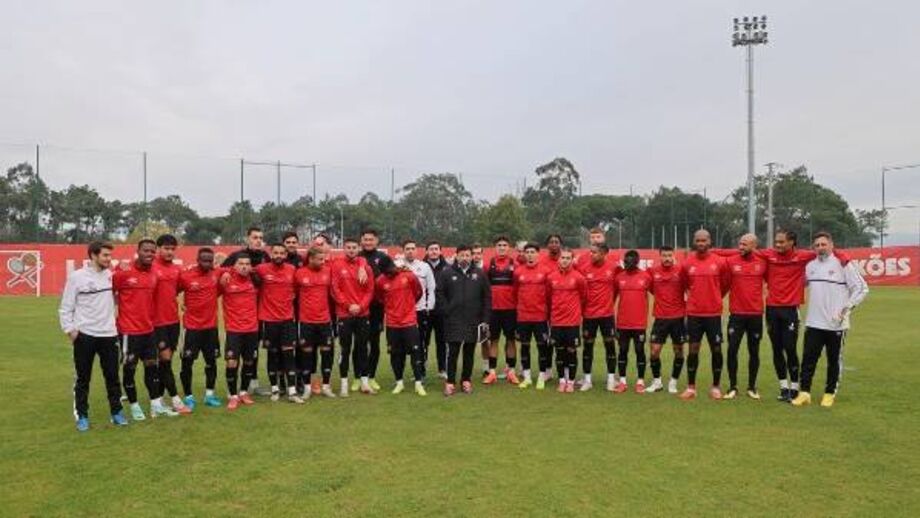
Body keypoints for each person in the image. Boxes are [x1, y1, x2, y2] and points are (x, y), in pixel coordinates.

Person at [791, 232, 868, 408]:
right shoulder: (810, 266)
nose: (820, 248)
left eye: (823, 244)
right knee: (808, 359)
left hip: (836, 324)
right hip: (813, 322)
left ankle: (829, 393)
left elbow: (862, 289)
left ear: (831, 245)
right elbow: (798, 284)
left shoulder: (844, 264)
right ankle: (805, 393)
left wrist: (846, 309)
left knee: (833, 360)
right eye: (817, 245)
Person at [59, 241, 127, 431]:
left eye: (110, 255)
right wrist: (70, 330)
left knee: (112, 377)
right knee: (83, 378)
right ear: (94, 255)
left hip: (109, 334)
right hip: (85, 335)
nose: (109, 259)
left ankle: (117, 413)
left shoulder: (111, 276)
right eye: (105, 255)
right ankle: (82, 415)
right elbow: (66, 307)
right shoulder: (77, 277)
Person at [114, 239, 174, 419]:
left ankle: (156, 404)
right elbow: (108, 293)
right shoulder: (123, 273)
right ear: (138, 251)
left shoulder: (153, 275)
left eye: (152, 251)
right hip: (129, 332)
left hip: (149, 331)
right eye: (146, 251)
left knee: (152, 367)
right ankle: (134, 406)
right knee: (129, 369)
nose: (149, 254)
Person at [680, 230, 730, 400]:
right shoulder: (687, 263)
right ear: (694, 242)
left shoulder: (720, 262)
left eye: (704, 240)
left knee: (716, 349)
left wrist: (715, 297)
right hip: (694, 313)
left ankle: (715, 386)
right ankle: (691, 387)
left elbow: (725, 284)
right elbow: (685, 284)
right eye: (698, 240)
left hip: (713, 313)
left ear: (710, 241)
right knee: (693, 349)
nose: (701, 243)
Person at [437, 245, 491, 396]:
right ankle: (450, 382)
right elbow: (439, 293)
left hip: (473, 320)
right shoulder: (447, 273)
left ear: (471, 257)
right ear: (456, 256)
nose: (465, 258)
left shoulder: (479, 274)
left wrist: (485, 319)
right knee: (452, 352)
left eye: (468, 255)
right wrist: (446, 310)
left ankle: (466, 380)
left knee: (469, 352)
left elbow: (487, 298)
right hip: (453, 320)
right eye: (462, 255)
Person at [221, 226, 270, 395]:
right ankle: (237, 388)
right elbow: (221, 269)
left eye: (260, 237)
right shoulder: (236, 255)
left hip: (259, 309)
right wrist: (226, 273)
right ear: (248, 238)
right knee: (238, 352)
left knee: (253, 348)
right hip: (239, 310)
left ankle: (253, 383)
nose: (258, 240)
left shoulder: (265, 256)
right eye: (255, 237)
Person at [253, 243, 303, 404]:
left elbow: (297, 288)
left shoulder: (292, 270)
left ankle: (292, 391)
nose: (279, 255)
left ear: (286, 255)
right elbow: (243, 270)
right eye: (276, 253)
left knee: (289, 355)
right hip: (268, 320)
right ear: (271, 254)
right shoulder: (261, 269)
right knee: (272, 355)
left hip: (287, 320)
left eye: (282, 253)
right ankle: (275, 388)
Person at [177, 247, 223, 410]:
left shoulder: (216, 274)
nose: (207, 263)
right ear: (198, 260)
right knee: (187, 363)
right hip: (191, 328)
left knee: (211, 362)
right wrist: (181, 303)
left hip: (211, 328)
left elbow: (235, 266)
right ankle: (188, 396)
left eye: (210, 261)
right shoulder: (186, 276)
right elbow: (172, 291)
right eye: (204, 260)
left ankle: (209, 395)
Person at [151, 234, 191, 415]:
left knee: (165, 362)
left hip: (174, 322)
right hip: (156, 323)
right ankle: (176, 400)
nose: (169, 252)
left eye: (172, 249)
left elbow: (182, 288)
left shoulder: (177, 270)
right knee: (165, 361)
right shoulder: (150, 267)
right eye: (166, 248)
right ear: (158, 249)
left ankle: (157, 402)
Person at [724, 234, 767, 400]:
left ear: (754, 245)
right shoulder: (731, 262)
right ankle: (732, 386)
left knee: (754, 351)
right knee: (732, 349)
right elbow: (724, 284)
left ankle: (752, 387)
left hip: (755, 314)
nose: (741, 247)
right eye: (740, 243)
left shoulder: (763, 262)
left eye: (745, 244)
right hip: (736, 315)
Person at [376, 256, 427, 396]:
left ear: (393, 264)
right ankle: (399, 383)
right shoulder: (380, 281)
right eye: (386, 272)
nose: (389, 273)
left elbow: (418, 293)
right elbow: (380, 299)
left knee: (416, 352)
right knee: (396, 354)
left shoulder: (409, 276)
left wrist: (407, 307)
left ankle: (418, 383)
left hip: (409, 321)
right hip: (392, 324)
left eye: (390, 269)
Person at [332, 237, 376, 396]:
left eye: (354, 247)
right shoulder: (337, 265)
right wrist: (348, 305)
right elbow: (335, 289)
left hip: (362, 314)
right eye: (348, 247)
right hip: (344, 314)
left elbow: (370, 291)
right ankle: (344, 382)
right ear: (344, 248)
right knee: (345, 349)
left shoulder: (366, 268)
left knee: (363, 348)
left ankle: (364, 382)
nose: (351, 250)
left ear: (359, 249)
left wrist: (361, 306)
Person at [295, 246, 336, 398]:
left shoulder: (328, 271)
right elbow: (294, 292)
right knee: (307, 354)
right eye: (320, 259)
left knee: (327, 353)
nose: (323, 261)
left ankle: (326, 386)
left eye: (324, 258)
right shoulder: (299, 273)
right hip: (306, 322)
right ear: (310, 259)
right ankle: (307, 387)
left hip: (325, 321)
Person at [578, 243, 619, 392]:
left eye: (594, 252)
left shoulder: (614, 268)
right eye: (591, 252)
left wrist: (610, 303)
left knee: (610, 346)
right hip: (589, 315)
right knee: (588, 347)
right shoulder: (583, 269)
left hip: (607, 315)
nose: (591, 255)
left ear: (603, 253)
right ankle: (587, 380)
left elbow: (618, 288)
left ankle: (611, 379)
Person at [221, 255, 260, 411]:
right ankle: (232, 395)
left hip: (252, 329)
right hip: (234, 330)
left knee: (249, 362)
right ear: (235, 266)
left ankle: (243, 392)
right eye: (241, 264)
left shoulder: (255, 280)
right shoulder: (227, 280)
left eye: (247, 264)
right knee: (232, 362)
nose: (244, 266)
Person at [647, 246, 687, 394]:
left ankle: (673, 382)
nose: (667, 258)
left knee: (678, 351)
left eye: (669, 255)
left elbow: (689, 287)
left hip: (678, 318)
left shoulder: (681, 271)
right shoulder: (653, 272)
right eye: (664, 256)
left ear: (673, 256)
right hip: (660, 318)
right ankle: (657, 382)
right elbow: (651, 289)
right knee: (654, 351)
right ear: (660, 257)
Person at [546, 248, 587, 393]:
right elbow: (548, 297)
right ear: (559, 259)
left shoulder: (579, 278)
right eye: (563, 257)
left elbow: (583, 297)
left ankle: (571, 381)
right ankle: (562, 380)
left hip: (572, 323)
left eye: (568, 258)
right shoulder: (551, 277)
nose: (565, 260)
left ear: (572, 260)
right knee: (559, 352)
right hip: (556, 322)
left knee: (571, 352)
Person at [512, 243, 551, 390]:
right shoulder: (518, 272)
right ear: (524, 254)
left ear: (538, 254)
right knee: (524, 347)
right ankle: (527, 377)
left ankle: (541, 376)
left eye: (532, 252)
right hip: (523, 317)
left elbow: (549, 294)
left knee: (542, 347)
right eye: (527, 252)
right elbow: (515, 293)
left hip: (540, 317)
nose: (529, 254)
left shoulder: (545, 271)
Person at [612, 250, 651, 394]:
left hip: (639, 323)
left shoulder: (646, 277)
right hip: (622, 323)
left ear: (637, 261)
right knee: (622, 351)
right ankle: (622, 382)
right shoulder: (618, 278)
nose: (628, 263)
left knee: (640, 351)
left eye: (631, 261)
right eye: (626, 261)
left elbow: (656, 292)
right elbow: (612, 299)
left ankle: (640, 381)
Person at [484, 236, 519, 385]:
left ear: (509, 247)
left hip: (510, 310)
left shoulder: (514, 264)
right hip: (493, 310)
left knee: (511, 340)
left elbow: (518, 287)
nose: (502, 247)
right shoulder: (488, 265)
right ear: (495, 247)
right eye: (499, 245)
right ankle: (492, 372)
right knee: (494, 340)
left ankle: (511, 371)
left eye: (505, 245)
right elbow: (484, 289)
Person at [359, 228, 389, 391]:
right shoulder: (357, 257)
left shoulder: (383, 258)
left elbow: (391, 276)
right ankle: (358, 377)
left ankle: (372, 376)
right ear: (361, 241)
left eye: (371, 239)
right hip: (359, 307)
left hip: (377, 307)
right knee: (359, 343)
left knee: (375, 343)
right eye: (365, 239)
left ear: (376, 241)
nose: (368, 242)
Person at [401, 240, 437, 378]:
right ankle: (401, 373)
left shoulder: (424, 266)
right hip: (403, 312)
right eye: (407, 248)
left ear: (417, 251)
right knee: (403, 343)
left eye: (412, 248)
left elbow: (431, 288)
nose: (410, 251)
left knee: (421, 342)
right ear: (403, 250)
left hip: (420, 311)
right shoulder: (398, 266)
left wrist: (429, 306)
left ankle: (421, 371)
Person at [424, 241, 450, 378]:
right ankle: (422, 368)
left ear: (440, 251)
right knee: (423, 341)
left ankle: (442, 369)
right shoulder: (421, 267)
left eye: (436, 249)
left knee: (442, 341)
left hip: (442, 311)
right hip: (425, 310)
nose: (433, 251)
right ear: (426, 251)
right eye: (431, 249)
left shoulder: (448, 268)